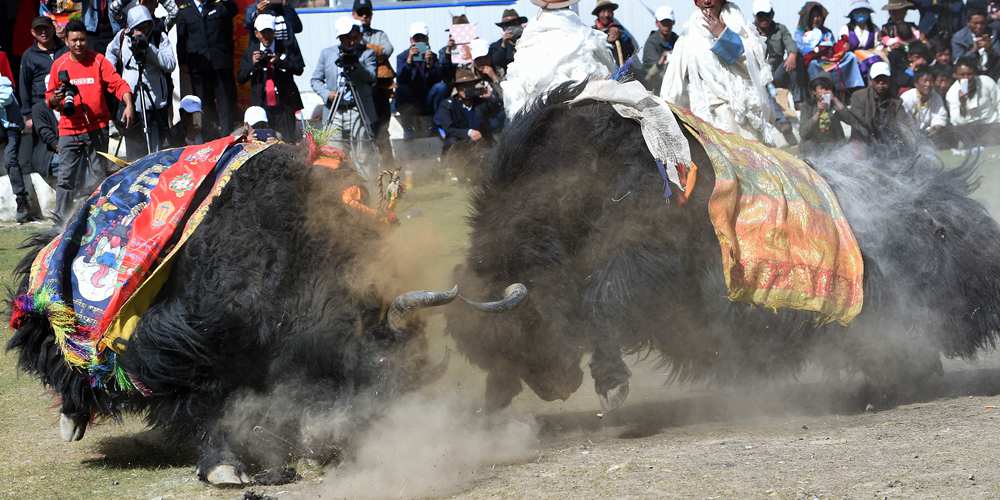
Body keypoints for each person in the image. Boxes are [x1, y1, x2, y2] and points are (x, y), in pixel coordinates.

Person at [46, 20, 135, 219]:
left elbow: (118, 84)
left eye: (82, 40)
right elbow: (49, 100)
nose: (79, 44)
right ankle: (60, 222)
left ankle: (101, 216)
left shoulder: (99, 60)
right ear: (66, 41)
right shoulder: (58, 65)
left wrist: (129, 104)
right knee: (66, 179)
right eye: (74, 40)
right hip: (69, 130)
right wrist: (56, 98)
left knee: (99, 176)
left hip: (97, 128)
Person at [662, 0, 778, 143]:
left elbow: (753, 69)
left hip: (744, 115)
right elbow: (673, 84)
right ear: (696, 2)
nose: (707, 1)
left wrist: (723, 34)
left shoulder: (738, 24)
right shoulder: (688, 37)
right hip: (709, 117)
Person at [503, 0, 614, 118]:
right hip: (590, 109)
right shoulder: (585, 33)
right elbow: (609, 67)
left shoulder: (531, 36)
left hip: (536, 114)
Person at [105, 5, 176, 159]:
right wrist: (112, 74)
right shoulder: (122, 37)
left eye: (146, 25)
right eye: (139, 26)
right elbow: (110, 52)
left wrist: (149, 49)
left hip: (156, 103)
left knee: (158, 152)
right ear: (131, 26)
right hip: (132, 103)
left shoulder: (159, 37)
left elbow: (170, 64)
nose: (143, 30)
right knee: (135, 151)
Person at [310, 16, 377, 163]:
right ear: (340, 38)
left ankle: (368, 184)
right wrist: (327, 94)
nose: (351, 41)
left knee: (363, 155)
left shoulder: (368, 54)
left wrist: (356, 65)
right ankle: (338, 184)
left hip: (358, 109)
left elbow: (371, 78)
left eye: (354, 37)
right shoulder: (327, 54)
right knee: (334, 153)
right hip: (334, 110)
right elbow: (315, 80)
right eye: (347, 38)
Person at [174, 0, 237, 139]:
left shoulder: (220, 6)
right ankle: (209, 138)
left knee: (224, 101)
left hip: (220, 64)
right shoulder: (185, 11)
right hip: (198, 66)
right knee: (203, 103)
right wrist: (183, 62)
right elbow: (182, 40)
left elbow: (233, 12)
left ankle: (227, 136)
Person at [238, 13, 304, 142]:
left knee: (287, 141)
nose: (266, 36)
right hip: (261, 105)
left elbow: (299, 69)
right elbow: (241, 78)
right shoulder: (251, 50)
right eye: (263, 32)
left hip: (284, 103)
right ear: (256, 33)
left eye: (269, 31)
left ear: (274, 32)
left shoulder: (286, 47)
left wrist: (280, 62)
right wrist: (253, 64)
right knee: (263, 140)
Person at [434, 68, 504, 181]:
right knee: (452, 142)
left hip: (480, 145)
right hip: (460, 145)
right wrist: (468, 132)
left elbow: (497, 108)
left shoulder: (481, 103)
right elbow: (448, 129)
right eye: (462, 86)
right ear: (457, 88)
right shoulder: (448, 105)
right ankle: (453, 170)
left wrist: (491, 97)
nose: (465, 89)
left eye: (469, 85)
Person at [839, 61, 916, 154]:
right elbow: (858, 122)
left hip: (886, 142)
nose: (881, 83)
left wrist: (911, 133)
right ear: (871, 80)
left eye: (884, 80)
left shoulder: (896, 101)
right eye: (877, 80)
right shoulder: (859, 96)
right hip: (863, 141)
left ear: (889, 80)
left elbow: (903, 122)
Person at [19, 17, 67, 165]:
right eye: (39, 29)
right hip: (41, 106)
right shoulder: (29, 55)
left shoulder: (65, 50)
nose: (43, 32)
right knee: (47, 141)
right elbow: (24, 85)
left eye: (46, 28)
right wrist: (27, 115)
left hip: (65, 103)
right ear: (33, 32)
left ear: (53, 28)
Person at [352, 0, 394, 164]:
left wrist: (363, 44)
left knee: (382, 131)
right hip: (356, 92)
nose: (364, 16)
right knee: (360, 132)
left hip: (378, 91)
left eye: (367, 13)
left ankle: (389, 170)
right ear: (354, 14)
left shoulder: (380, 34)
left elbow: (387, 50)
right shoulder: (347, 35)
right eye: (360, 12)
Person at [794, 2, 865, 93]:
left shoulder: (827, 32)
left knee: (850, 56)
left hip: (830, 60)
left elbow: (833, 47)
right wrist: (818, 52)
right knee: (814, 64)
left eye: (819, 16)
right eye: (813, 16)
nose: (816, 19)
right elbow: (802, 49)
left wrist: (842, 48)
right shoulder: (800, 33)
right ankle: (819, 90)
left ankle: (854, 88)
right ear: (807, 17)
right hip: (815, 61)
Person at [394, 22, 443, 139]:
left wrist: (430, 65)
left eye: (422, 38)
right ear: (411, 40)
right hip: (411, 100)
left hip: (427, 98)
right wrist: (409, 61)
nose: (419, 42)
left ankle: (437, 125)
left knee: (441, 87)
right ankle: (408, 128)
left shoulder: (433, 57)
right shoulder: (402, 57)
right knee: (402, 89)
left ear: (427, 40)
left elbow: (438, 80)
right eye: (417, 39)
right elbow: (400, 79)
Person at [945, 56, 1000, 144]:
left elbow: (998, 102)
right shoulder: (952, 94)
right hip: (968, 130)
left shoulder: (986, 82)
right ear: (956, 75)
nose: (966, 78)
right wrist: (962, 104)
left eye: (969, 74)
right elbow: (957, 122)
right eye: (962, 75)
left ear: (975, 74)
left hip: (991, 125)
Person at [752, 0, 799, 101]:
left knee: (796, 57)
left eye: (767, 15)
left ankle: (797, 100)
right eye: (761, 15)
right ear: (755, 16)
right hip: (759, 76)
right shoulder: (749, 31)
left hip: (777, 73)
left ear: (772, 14)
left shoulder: (780, 29)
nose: (764, 18)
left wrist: (792, 55)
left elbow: (790, 43)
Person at [1, 74, 32, 222]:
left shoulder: (3, 81)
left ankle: (22, 200)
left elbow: (6, 97)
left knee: (9, 159)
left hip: (11, 128)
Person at [798, 71, 846, 156]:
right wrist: (818, 113)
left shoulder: (834, 104)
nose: (825, 92)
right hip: (814, 147)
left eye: (828, 89)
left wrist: (835, 100)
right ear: (814, 92)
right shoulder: (807, 106)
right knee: (808, 146)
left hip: (833, 146)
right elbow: (803, 133)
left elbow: (851, 121)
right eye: (821, 88)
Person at [838, 0, 884, 80]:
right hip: (852, 63)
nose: (861, 13)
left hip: (871, 61)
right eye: (857, 11)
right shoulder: (845, 29)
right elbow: (841, 47)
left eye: (863, 11)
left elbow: (879, 47)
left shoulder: (874, 29)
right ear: (852, 14)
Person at [900, 69, 949, 142]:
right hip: (908, 137)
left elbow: (940, 116)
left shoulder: (936, 97)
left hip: (928, 136)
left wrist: (936, 127)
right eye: (925, 81)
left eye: (931, 81)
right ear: (916, 83)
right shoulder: (907, 98)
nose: (928, 84)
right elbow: (902, 121)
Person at [950, 9, 1000, 79]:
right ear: (968, 23)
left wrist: (989, 49)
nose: (979, 26)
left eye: (982, 23)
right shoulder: (959, 38)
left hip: (992, 74)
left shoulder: (993, 33)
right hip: (969, 76)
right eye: (975, 23)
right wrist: (974, 50)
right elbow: (957, 61)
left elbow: (998, 56)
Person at [641, 6, 679, 94]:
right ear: (657, 23)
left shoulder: (677, 40)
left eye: (668, 22)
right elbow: (651, 74)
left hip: (674, 84)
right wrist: (661, 61)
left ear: (673, 23)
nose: (666, 26)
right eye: (663, 23)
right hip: (653, 86)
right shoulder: (651, 43)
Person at [592, 0, 636, 67]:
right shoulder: (592, 32)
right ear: (598, 14)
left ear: (613, 13)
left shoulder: (619, 30)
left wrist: (620, 36)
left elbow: (631, 50)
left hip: (617, 72)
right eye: (603, 11)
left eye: (609, 11)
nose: (606, 15)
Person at [489, 9, 528, 76]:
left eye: (513, 24)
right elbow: (496, 61)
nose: (510, 27)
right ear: (503, 28)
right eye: (507, 25)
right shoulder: (496, 46)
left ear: (520, 24)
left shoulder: (529, 39)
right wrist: (503, 44)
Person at [31, 99, 60, 179]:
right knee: (73, 163)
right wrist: (64, 150)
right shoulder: (38, 109)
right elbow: (46, 134)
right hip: (48, 155)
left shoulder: (70, 105)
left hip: (69, 151)